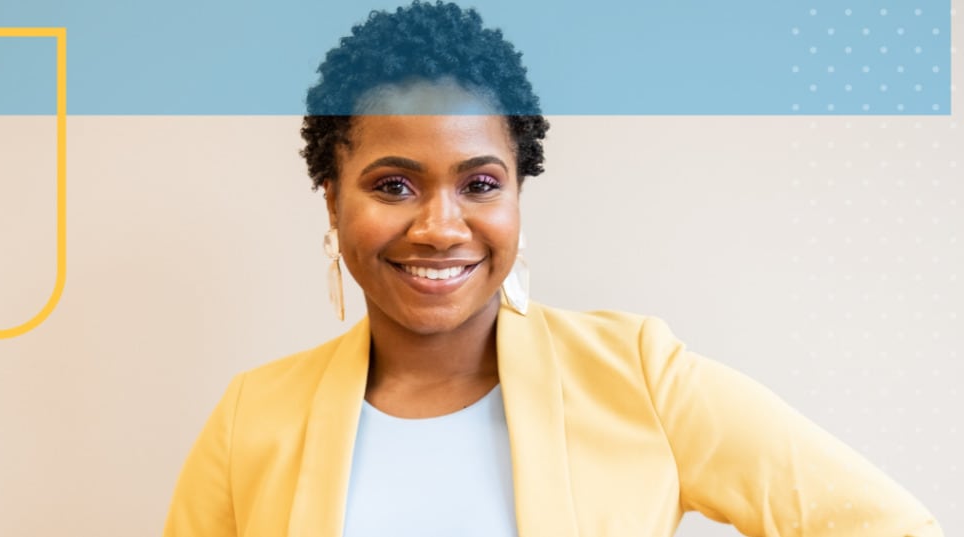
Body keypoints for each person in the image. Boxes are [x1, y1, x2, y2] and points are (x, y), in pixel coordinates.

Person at [164, 2, 943, 536]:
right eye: (393, 184)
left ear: (517, 193)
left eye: (479, 183)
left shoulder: (637, 375)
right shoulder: (252, 418)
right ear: (332, 198)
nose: (441, 226)